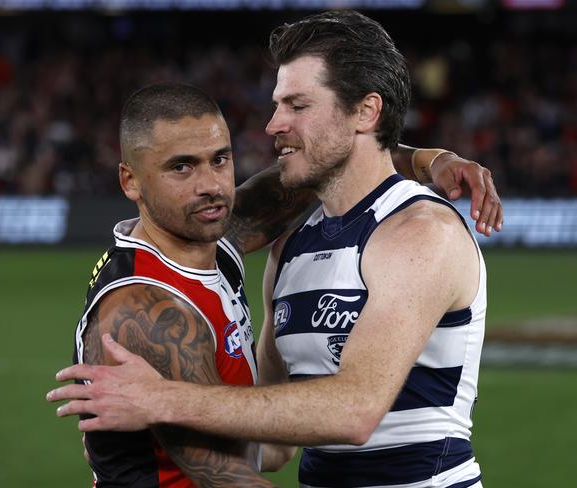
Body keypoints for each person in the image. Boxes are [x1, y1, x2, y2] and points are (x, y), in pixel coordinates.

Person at [51, 19, 501, 485]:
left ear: (366, 112)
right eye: (181, 167)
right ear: (130, 180)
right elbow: (270, 444)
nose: (273, 125)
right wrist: (139, 439)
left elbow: (352, 411)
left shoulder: (421, 232)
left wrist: (162, 400)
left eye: (297, 105)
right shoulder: (286, 250)